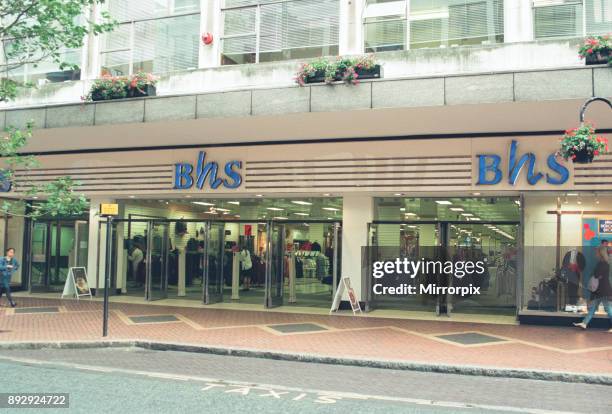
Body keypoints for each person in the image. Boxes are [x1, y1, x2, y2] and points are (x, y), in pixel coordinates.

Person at [574, 240, 612, 332]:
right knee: (593, 308)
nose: (596, 254)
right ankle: (584, 323)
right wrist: (597, 275)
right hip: (600, 290)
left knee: (608, 309)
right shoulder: (604, 263)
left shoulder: (603, 264)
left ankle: (584, 323)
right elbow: (597, 275)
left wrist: (596, 275)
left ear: (601, 254)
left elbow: (596, 274)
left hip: (603, 291)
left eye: (597, 252)